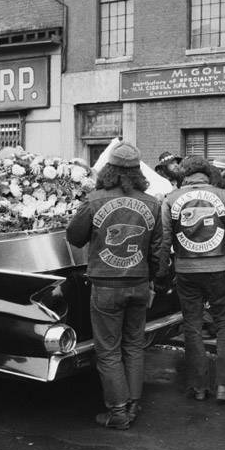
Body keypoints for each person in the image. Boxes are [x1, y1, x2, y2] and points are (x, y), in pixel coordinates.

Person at [66, 143, 161, 430]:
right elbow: (158, 251)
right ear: (137, 172)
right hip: (140, 283)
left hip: (106, 284)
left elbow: (74, 236)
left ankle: (118, 413)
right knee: (134, 345)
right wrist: (150, 279)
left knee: (108, 351)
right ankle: (132, 404)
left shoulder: (94, 200)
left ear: (109, 169)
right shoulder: (152, 203)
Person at [158, 156, 225, 402]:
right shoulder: (224, 196)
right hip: (219, 266)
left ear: (184, 174)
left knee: (192, 325)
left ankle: (198, 387)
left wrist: (163, 270)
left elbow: (164, 239)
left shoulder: (171, 199)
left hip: (186, 269)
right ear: (207, 173)